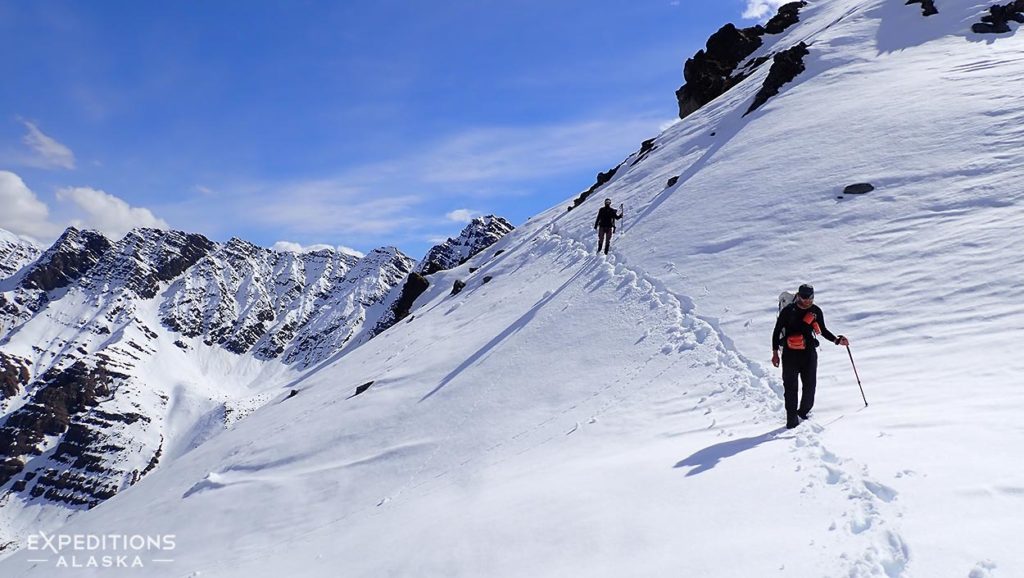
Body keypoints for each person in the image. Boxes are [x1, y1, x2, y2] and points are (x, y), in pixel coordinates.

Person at [771, 283, 849, 429]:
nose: (808, 300)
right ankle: (792, 420)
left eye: (811, 297)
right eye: (805, 297)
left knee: (810, 386)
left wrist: (837, 340)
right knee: (790, 387)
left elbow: (823, 331)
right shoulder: (789, 310)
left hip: (808, 354)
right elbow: (776, 331)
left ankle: (803, 414)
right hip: (789, 354)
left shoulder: (815, 311)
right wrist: (775, 353)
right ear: (798, 296)